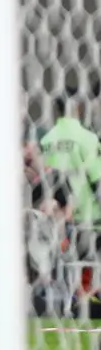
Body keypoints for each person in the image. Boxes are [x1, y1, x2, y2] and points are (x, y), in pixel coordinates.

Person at [40, 88, 101, 299]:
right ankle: (87, 294)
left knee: (66, 262)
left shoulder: (47, 140)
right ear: (78, 107)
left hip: (59, 216)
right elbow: (97, 178)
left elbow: (49, 176)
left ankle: (71, 297)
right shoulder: (88, 138)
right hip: (90, 215)